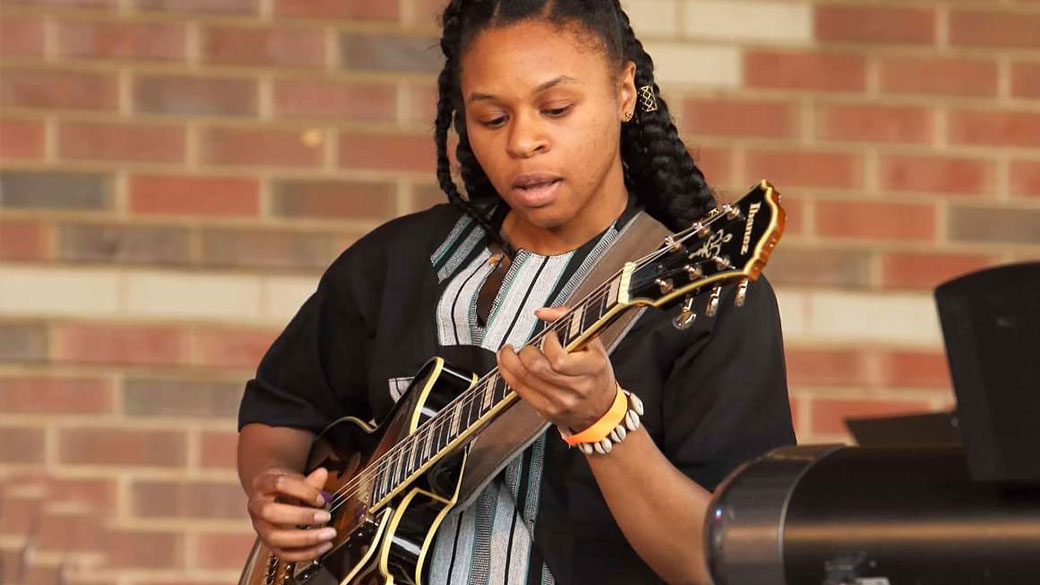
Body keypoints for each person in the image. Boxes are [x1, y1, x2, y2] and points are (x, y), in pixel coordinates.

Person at [236, 1, 795, 584]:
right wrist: (273, 487)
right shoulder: (396, 264)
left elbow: (727, 565)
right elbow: (281, 408)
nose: (524, 141)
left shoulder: (708, 300)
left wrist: (603, 422)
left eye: (556, 108)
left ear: (625, 91)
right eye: (491, 118)